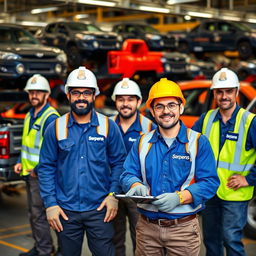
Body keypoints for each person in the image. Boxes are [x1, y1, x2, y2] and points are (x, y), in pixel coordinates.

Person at [120, 77, 220, 256]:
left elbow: (210, 182)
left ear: (181, 107)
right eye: (159, 106)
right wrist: (134, 185)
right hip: (147, 230)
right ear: (151, 110)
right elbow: (127, 173)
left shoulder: (198, 142)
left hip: (183, 230)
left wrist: (180, 198)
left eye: (172, 105)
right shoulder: (142, 142)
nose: (166, 111)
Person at [37, 66, 126, 256]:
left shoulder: (109, 126)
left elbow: (120, 163)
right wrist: (50, 204)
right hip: (65, 211)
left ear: (94, 95)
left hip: (100, 209)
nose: (81, 97)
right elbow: (46, 167)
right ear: (68, 95)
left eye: (86, 93)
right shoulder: (56, 127)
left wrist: (113, 195)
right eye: (76, 92)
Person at [192, 67, 256, 256]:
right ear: (214, 94)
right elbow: (187, 144)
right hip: (211, 192)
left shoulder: (249, 122)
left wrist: (249, 179)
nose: (224, 96)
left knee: (231, 239)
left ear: (236, 92)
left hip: (236, 194)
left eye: (228, 91)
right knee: (211, 240)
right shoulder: (206, 119)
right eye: (219, 92)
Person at [14, 74, 60, 256]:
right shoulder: (29, 114)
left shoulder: (49, 118)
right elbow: (27, 144)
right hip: (29, 174)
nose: (34, 95)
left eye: (38, 92)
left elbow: (55, 151)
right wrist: (19, 162)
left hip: (42, 176)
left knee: (40, 215)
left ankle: (45, 251)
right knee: (34, 214)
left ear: (47, 94)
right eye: (31, 92)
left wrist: (38, 169)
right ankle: (41, 247)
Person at [111, 78, 157, 255]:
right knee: (114, 238)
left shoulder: (149, 127)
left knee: (142, 239)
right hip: (113, 191)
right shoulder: (106, 125)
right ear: (115, 101)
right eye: (121, 99)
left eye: (130, 99)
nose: (125, 104)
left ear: (138, 101)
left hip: (138, 192)